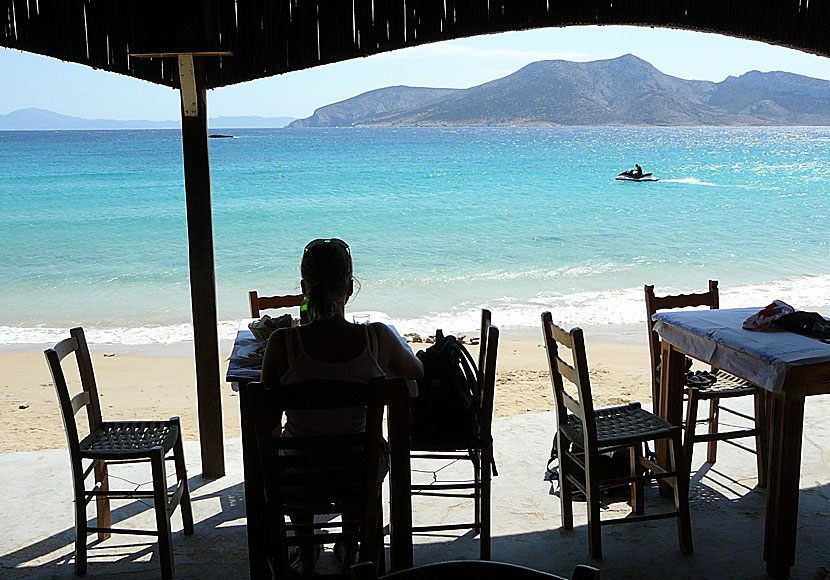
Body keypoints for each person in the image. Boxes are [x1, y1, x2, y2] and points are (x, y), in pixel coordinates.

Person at [260, 237, 423, 574]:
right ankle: (351, 551)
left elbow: (267, 417)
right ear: (350, 287)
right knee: (364, 450)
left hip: (300, 475)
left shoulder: (282, 343)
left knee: (295, 452)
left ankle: (306, 557)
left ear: (304, 287)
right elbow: (417, 370)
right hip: (357, 471)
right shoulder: (376, 338)